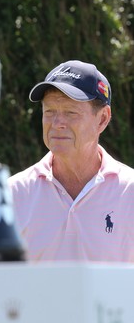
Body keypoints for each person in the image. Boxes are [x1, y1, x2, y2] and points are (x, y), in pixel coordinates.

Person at [8, 60, 134, 262]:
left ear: (102, 119)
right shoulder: (13, 193)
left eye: (70, 112)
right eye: (49, 112)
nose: (57, 123)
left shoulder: (130, 192)